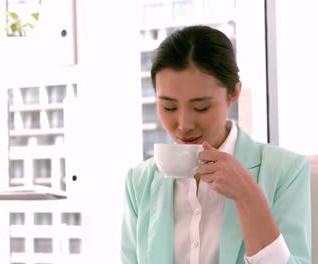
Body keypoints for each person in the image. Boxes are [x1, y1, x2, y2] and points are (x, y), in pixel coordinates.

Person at [121, 25, 311, 264]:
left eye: (201, 107)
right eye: (168, 106)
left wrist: (246, 195)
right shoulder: (139, 181)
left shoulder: (286, 171)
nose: (184, 124)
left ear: (233, 93)